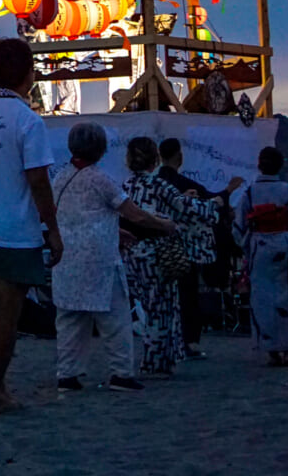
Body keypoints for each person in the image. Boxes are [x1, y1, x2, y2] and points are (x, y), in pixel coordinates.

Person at [0, 36, 61, 416]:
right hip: (14, 228)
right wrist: (52, 229)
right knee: (9, 311)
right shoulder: (28, 121)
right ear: (29, 74)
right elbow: (38, 180)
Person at [52, 123, 175, 393]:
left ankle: (67, 374)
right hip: (99, 260)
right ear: (101, 149)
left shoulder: (60, 177)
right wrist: (164, 224)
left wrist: (114, 229)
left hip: (66, 258)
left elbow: (77, 215)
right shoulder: (100, 179)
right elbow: (135, 214)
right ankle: (121, 373)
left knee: (70, 320)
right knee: (115, 318)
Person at [122, 138, 221, 377]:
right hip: (158, 252)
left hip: (131, 252)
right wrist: (215, 203)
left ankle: (159, 359)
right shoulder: (158, 185)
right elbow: (186, 208)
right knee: (161, 308)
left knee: (148, 306)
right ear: (154, 159)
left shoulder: (125, 186)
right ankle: (155, 360)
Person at [156, 138, 243, 360]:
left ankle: (163, 342)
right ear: (179, 156)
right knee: (187, 294)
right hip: (185, 247)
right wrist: (228, 190)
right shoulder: (184, 184)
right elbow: (208, 202)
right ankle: (189, 341)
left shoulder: (155, 183)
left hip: (157, 246)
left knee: (162, 297)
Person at [233, 147, 288, 365]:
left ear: (259, 165)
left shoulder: (250, 193)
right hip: (286, 243)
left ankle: (271, 348)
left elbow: (238, 226)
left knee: (262, 296)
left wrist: (246, 247)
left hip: (260, 244)